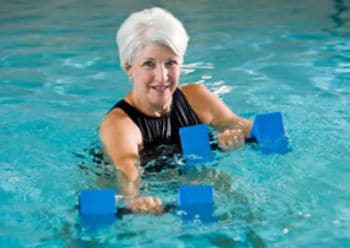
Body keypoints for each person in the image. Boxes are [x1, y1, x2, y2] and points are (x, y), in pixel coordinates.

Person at [99, 7, 252, 214]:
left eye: (171, 62)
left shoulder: (197, 97)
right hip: (126, 184)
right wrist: (134, 199)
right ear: (129, 68)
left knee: (240, 203)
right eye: (148, 64)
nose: (162, 76)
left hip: (184, 174)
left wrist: (236, 137)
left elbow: (243, 126)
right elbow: (127, 171)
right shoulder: (119, 124)